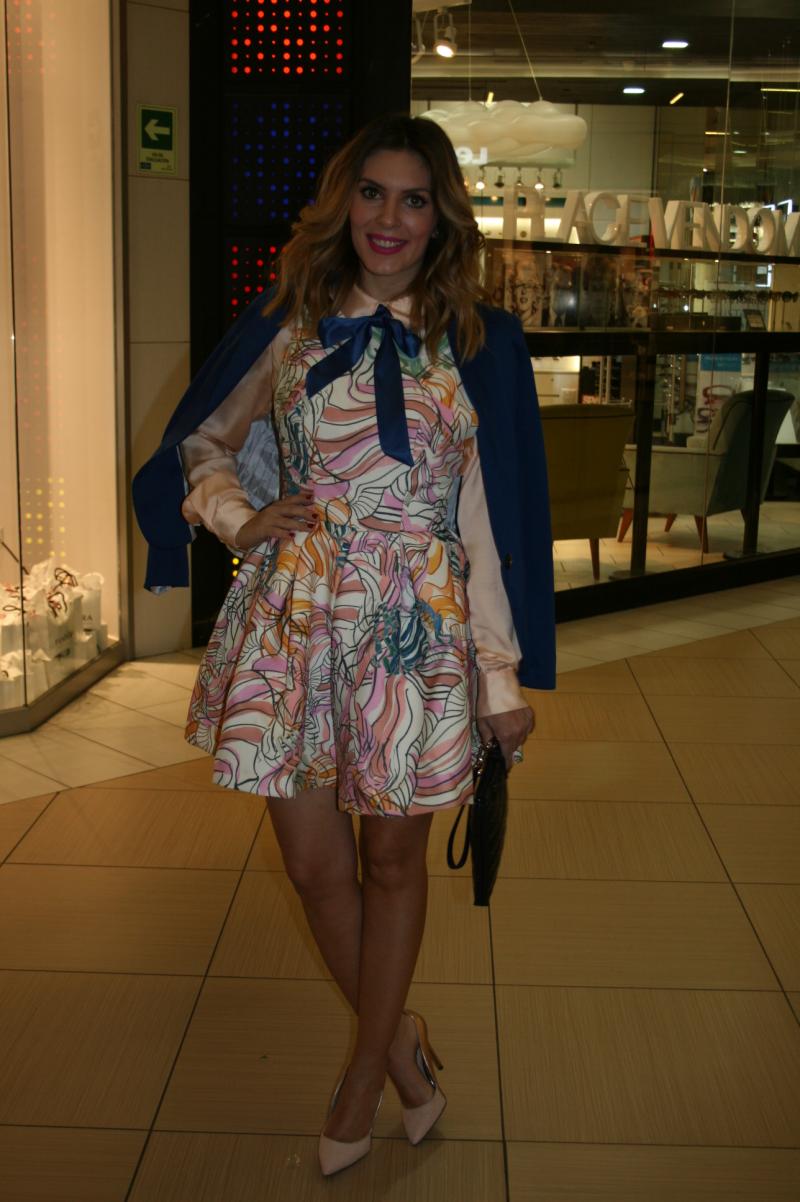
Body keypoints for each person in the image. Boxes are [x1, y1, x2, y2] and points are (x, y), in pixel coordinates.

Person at [133, 112, 555, 1177]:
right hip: (299, 620)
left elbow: (488, 525)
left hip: (416, 629)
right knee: (314, 866)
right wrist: (237, 517)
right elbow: (201, 439)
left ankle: (366, 1071)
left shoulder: (480, 343)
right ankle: (403, 1045)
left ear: (441, 217)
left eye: (414, 198)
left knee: (394, 859)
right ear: (343, 203)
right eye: (372, 192)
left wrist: (500, 677)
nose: (389, 218)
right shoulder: (290, 321)